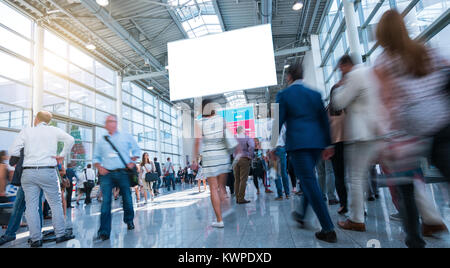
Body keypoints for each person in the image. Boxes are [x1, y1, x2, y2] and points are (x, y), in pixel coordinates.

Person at [373, 10, 450, 247]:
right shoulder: (425, 49)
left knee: (406, 187)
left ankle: (414, 239)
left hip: (410, 129)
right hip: (441, 122)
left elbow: (389, 100)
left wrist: (388, 137)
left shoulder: (383, 62)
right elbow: (446, 75)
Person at [276, 63, 337, 243]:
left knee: (309, 182)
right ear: (302, 75)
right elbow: (324, 120)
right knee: (309, 178)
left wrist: (272, 146)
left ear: (289, 77)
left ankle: (328, 228)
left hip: (299, 144)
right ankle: (301, 215)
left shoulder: (284, 94)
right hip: (317, 144)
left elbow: (277, 122)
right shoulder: (315, 94)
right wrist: (329, 144)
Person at [8, 111, 75, 247]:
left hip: (28, 173)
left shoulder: (26, 131)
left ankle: (35, 239)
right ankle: (60, 234)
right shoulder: (53, 130)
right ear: (48, 121)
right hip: (47, 171)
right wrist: (62, 155)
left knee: (32, 207)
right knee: (55, 204)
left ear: (36, 119)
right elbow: (70, 140)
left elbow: (13, 151)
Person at [332, 54, 381, 233]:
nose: (340, 72)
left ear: (346, 65)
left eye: (341, 68)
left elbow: (339, 102)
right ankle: (431, 218)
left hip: (361, 133)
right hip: (377, 129)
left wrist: (339, 87)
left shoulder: (354, 76)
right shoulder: (370, 72)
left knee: (355, 177)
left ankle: (356, 219)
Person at [93, 115, 141, 241]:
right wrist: (99, 167)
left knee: (127, 198)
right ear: (105, 124)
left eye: (113, 121)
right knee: (106, 202)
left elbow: (137, 150)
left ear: (116, 123)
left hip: (123, 172)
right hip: (107, 174)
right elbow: (96, 157)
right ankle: (104, 232)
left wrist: (132, 161)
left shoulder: (125, 136)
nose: (110, 124)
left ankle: (129, 220)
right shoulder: (102, 140)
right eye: (108, 122)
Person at [194, 99, 236, 228]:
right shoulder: (221, 120)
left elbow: (198, 142)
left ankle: (219, 220)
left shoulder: (199, 123)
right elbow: (230, 136)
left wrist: (195, 158)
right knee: (222, 187)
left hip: (210, 157)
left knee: (213, 188)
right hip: (223, 156)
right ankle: (227, 209)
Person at [0, 149, 44, 246]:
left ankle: (10, 234)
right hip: (39, 176)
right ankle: (38, 235)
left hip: (27, 177)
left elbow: (12, 161)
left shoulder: (24, 143)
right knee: (35, 207)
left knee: (19, 206)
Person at [233, 125, 255, 204]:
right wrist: (250, 155)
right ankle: (241, 198)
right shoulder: (247, 138)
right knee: (243, 179)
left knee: (237, 180)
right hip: (244, 159)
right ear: (242, 130)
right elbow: (252, 146)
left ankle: (237, 198)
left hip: (235, 160)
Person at [272, 124, 291, 200]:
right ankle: (287, 194)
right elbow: (286, 137)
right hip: (282, 148)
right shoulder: (282, 125)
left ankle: (280, 195)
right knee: (284, 172)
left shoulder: (268, 125)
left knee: (276, 174)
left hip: (273, 150)